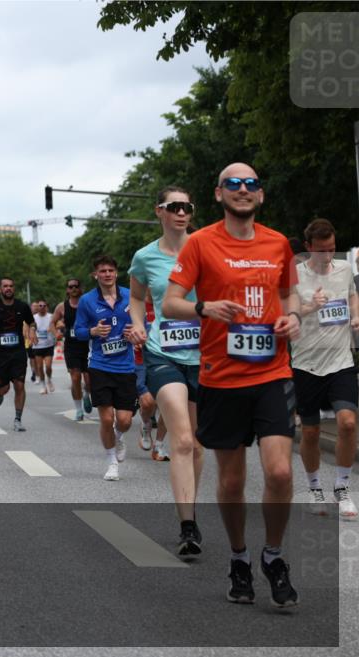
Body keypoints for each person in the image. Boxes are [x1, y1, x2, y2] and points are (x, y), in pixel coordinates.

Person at [163, 163, 301, 607]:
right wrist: (204, 308)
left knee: (280, 471)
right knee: (232, 480)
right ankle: (239, 558)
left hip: (272, 372)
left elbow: (289, 295)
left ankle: (273, 556)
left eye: (251, 184)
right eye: (233, 184)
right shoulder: (201, 242)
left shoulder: (278, 242)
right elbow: (170, 304)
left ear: (260, 195)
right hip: (221, 377)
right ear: (219, 193)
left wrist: (293, 317)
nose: (243, 190)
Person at [129, 186, 206, 556]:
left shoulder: (207, 247)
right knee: (184, 439)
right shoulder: (144, 257)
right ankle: (188, 527)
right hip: (164, 354)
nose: (181, 212)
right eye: (174, 207)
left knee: (199, 445)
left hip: (206, 356)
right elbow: (136, 298)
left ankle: (190, 508)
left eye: (186, 207)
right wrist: (138, 324)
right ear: (159, 211)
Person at [291, 218, 358, 519]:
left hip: (340, 361)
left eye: (332, 249)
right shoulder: (295, 276)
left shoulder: (344, 270)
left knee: (347, 423)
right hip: (306, 364)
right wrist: (309, 308)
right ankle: (314, 488)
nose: (328, 256)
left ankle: (342, 488)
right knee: (311, 432)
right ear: (308, 248)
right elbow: (288, 312)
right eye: (321, 251)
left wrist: (356, 315)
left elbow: (352, 296)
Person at [73, 255, 136, 482]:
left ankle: (119, 437)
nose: (107, 274)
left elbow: (145, 324)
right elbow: (77, 331)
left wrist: (135, 332)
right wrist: (93, 332)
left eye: (110, 270)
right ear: (95, 275)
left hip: (126, 366)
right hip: (100, 365)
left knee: (125, 420)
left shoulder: (130, 295)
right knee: (107, 419)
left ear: (116, 273)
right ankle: (111, 463)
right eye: (102, 271)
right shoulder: (87, 301)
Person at [0, 278, 37, 432]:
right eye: (5, 286)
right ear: (0, 289)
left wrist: (32, 331)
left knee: (19, 384)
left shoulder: (22, 306)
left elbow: (32, 322)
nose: (8, 288)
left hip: (18, 351)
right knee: (4, 388)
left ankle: (18, 419)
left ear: (14, 289)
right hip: (0, 353)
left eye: (11, 286)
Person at [51, 278, 92, 420]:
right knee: (75, 378)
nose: (73, 288)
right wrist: (55, 333)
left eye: (76, 286)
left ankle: (87, 394)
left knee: (89, 380)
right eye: (70, 286)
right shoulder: (62, 307)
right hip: (71, 347)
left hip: (88, 346)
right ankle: (78, 410)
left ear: (80, 288)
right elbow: (52, 322)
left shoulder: (88, 303)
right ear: (67, 290)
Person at [32, 299, 56, 393]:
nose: (42, 307)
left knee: (48, 366)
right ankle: (43, 386)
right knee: (39, 367)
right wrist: (30, 336)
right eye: (40, 306)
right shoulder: (33, 317)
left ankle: (49, 380)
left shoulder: (51, 317)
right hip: (37, 346)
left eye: (44, 306)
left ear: (47, 307)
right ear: (37, 307)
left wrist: (56, 329)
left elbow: (58, 324)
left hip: (48, 345)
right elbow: (29, 327)